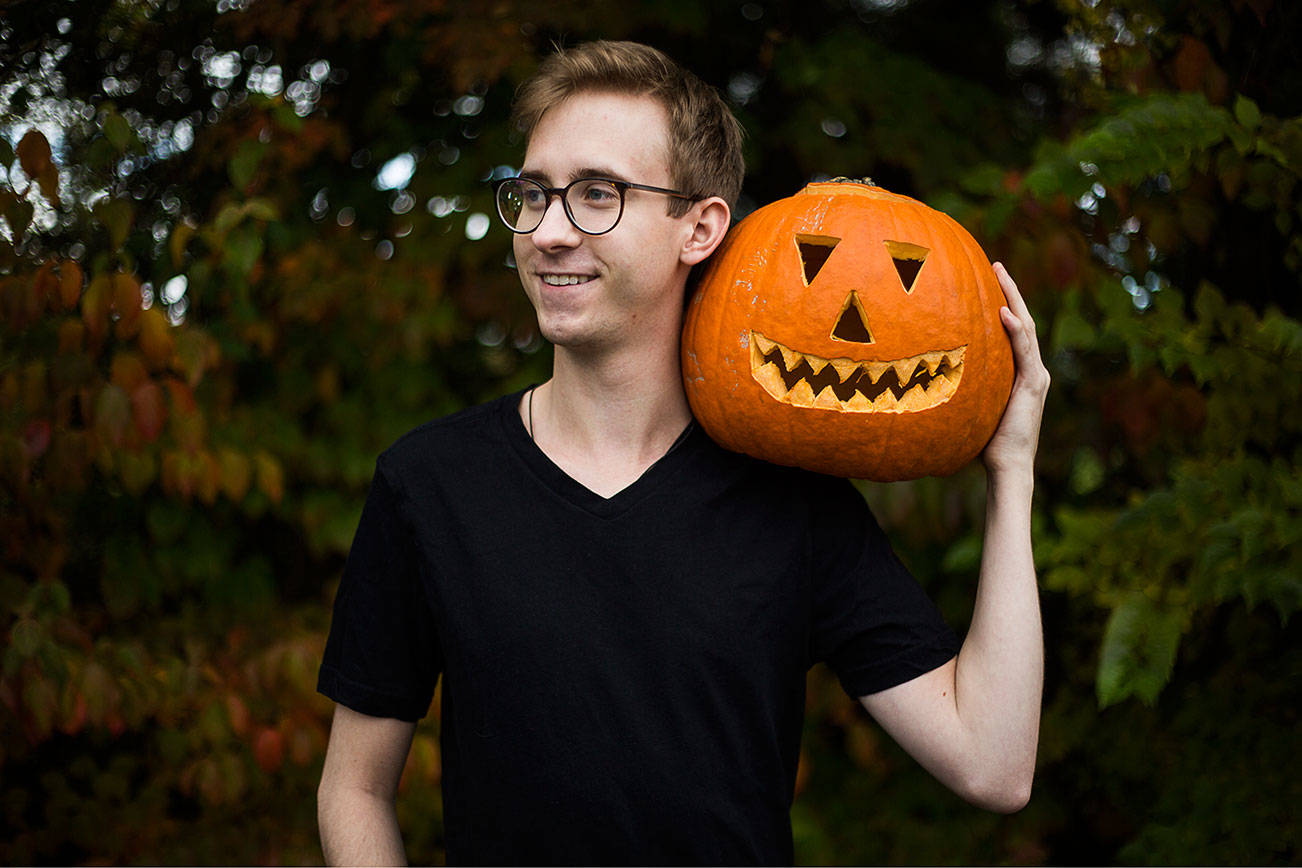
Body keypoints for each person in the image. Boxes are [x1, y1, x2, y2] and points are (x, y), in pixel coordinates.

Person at [315, 40, 1049, 866]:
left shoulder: (790, 500)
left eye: (598, 194)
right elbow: (355, 788)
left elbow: (992, 764)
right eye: (533, 194)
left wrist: (1011, 467)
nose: (550, 232)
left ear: (698, 227)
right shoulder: (430, 485)